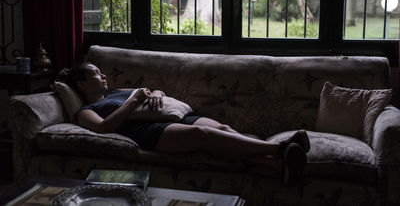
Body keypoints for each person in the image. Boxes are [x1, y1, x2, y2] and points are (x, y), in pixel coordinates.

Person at [56, 62, 310, 187]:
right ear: (81, 84)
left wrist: (156, 94)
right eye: (96, 74)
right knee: (202, 134)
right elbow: (103, 128)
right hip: (149, 132)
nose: (103, 76)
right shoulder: (86, 111)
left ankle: (275, 166)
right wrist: (133, 101)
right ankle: (280, 149)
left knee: (222, 129)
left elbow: (154, 91)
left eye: (102, 73)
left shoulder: (117, 91)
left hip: (175, 116)